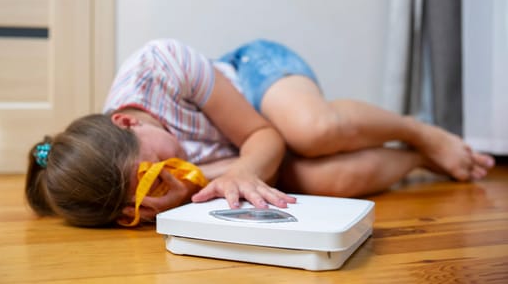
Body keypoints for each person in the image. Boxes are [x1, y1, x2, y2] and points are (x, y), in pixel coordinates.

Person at [25, 39, 495, 227]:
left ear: (127, 121)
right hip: (243, 152)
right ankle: (418, 159)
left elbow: (263, 135)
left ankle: (419, 131)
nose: (157, 200)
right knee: (323, 184)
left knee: (311, 131)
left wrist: (244, 170)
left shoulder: (159, 66)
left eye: (153, 177)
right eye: (135, 212)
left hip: (254, 88)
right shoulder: (133, 182)